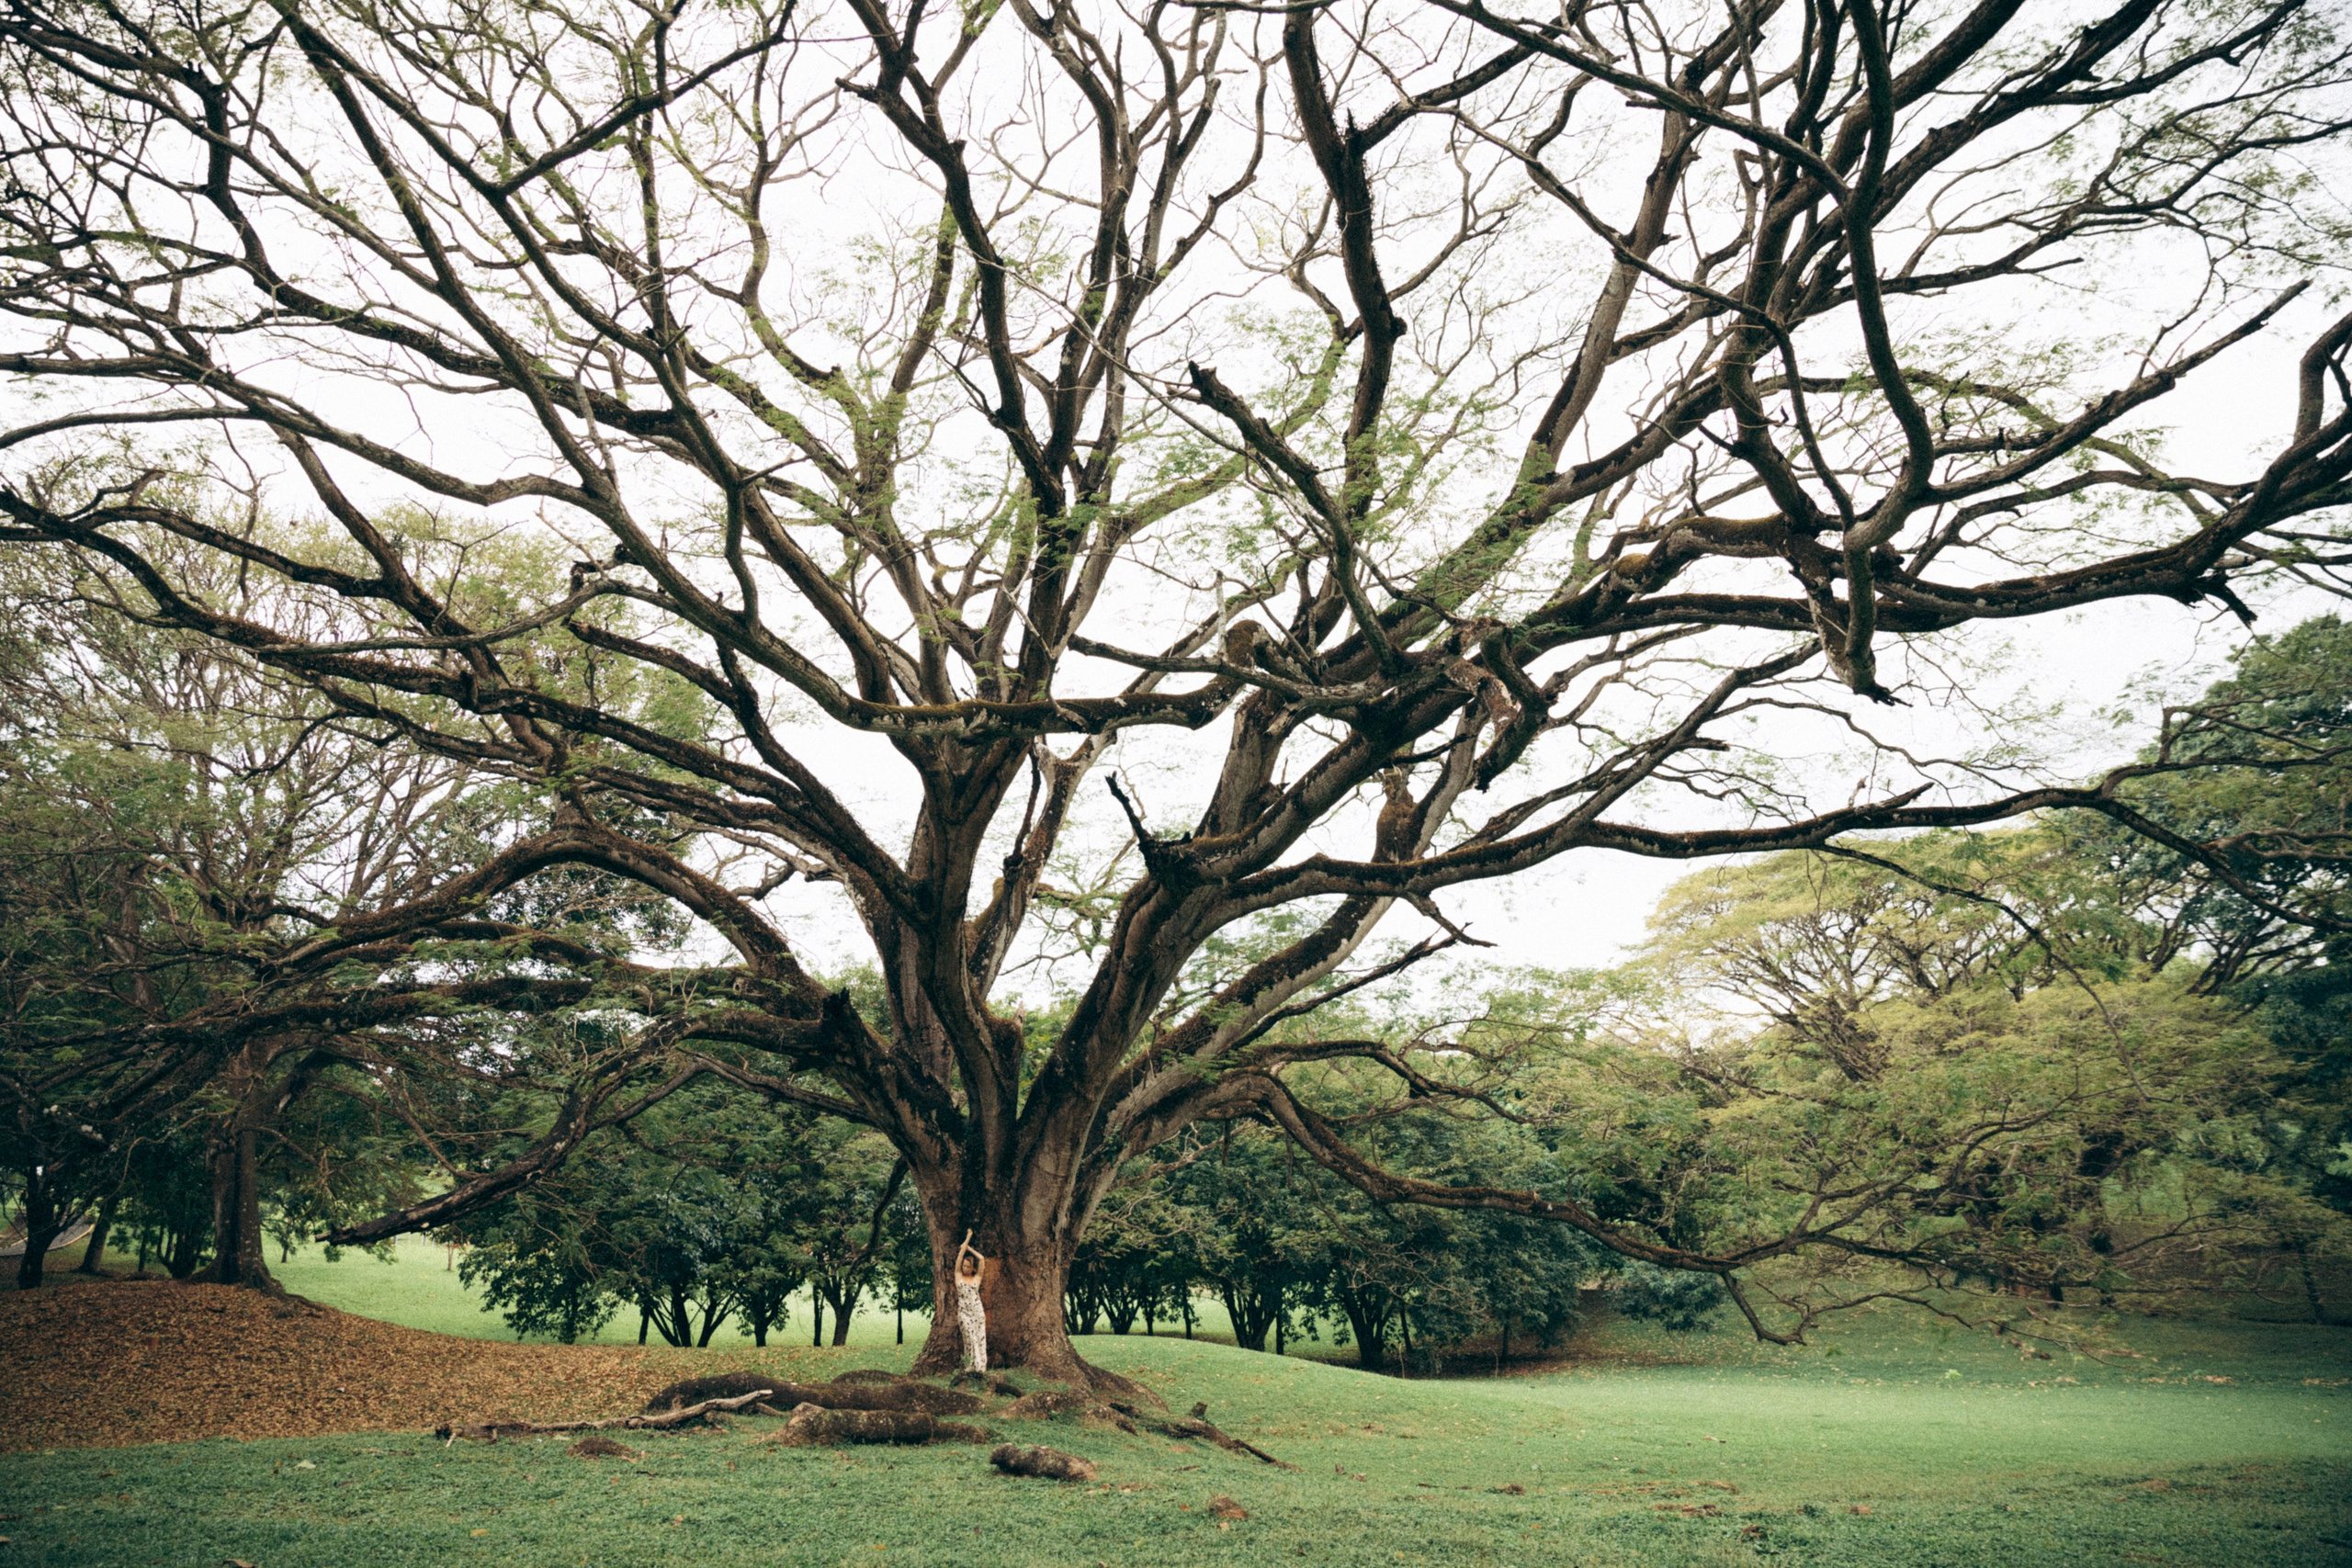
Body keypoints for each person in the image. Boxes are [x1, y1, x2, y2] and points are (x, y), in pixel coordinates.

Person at [955, 1231, 989, 1373]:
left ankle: (980, 1368)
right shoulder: (958, 1276)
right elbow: (959, 1257)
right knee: (969, 1337)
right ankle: (970, 1366)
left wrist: (968, 1248)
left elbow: (981, 1259)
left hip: (977, 1311)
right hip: (964, 1312)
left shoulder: (977, 1278)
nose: (965, 1268)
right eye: (964, 1265)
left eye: (968, 1266)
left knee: (980, 1338)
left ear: (972, 1268)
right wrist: (967, 1237)